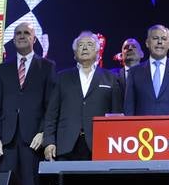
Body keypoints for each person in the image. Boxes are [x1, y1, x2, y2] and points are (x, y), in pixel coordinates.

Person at [0, 22, 53, 185]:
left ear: (34, 38)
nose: (22, 36)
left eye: (27, 33)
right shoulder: (2, 69)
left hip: (33, 140)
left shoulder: (47, 66)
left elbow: (50, 105)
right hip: (6, 141)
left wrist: (43, 132)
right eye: (18, 33)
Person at [44, 32, 122, 161]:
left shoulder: (111, 78)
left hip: (100, 145)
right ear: (75, 53)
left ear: (97, 51)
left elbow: (116, 115)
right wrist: (49, 142)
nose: (85, 48)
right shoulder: (62, 78)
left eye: (89, 44)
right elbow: (51, 114)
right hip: (66, 146)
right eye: (80, 45)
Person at [124, 24, 169, 116]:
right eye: (155, 38)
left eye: (164, 39)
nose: (160, 42)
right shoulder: (134, 72)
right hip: (143, 129)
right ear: (147, 43)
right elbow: (129, 108)